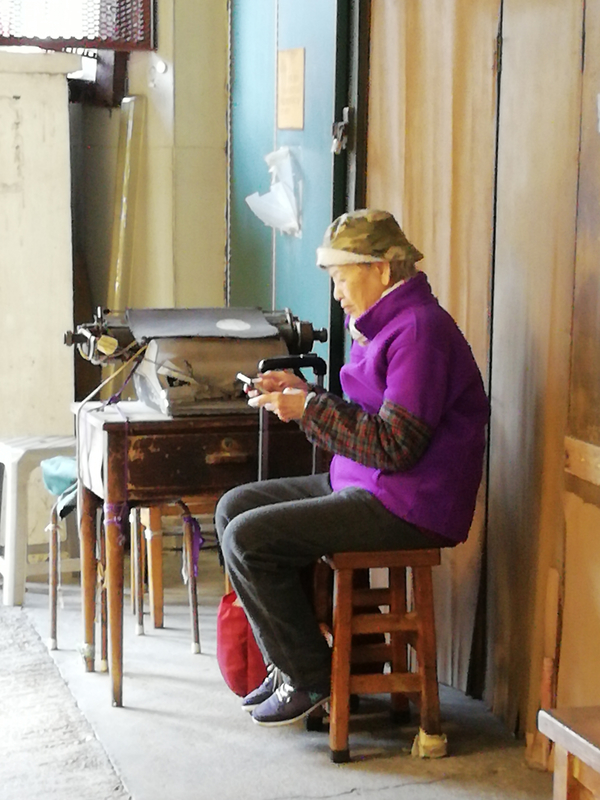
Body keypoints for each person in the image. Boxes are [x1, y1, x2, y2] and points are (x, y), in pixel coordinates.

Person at [216, 209, 489, 727]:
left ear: (383, 270)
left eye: (343, 276)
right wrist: (304, 396)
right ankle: (289, 664)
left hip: (410, 502)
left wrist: (310, 410)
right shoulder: (389, 324)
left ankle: (312, 677)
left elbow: (396, 444)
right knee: (235, 509)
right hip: (367, 482)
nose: (338, 292)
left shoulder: (420, 332)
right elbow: (369, 421)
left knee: (249, 539)